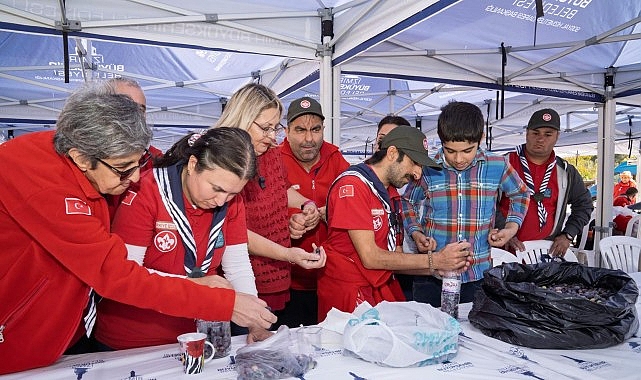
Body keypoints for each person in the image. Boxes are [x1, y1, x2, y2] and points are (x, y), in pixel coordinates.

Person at [0, 84, 275, 375]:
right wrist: (218, 301)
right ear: (81, 157)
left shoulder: (86, 164)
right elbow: (117, 275)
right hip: (17, 339)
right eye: (123, 168)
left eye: (139, 163)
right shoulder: (43, 185)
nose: (134, 179)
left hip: (55, 334)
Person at [94, 128, 273, 350]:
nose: (221, 201)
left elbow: (237, 267)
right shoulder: (146, 192)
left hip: (196, 335)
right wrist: (195, 287)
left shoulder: (230, 202)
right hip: (134, 339)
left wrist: (254, 320)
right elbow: (127, 273)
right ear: (192, 165)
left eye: (232, 193)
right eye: (216, 189)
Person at [317, 126, 473, 321]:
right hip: (350, 295)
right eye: (414, 163)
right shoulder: (353, 186)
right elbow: (371, 257)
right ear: (392, 153)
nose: (417, 174)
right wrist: (436, 260)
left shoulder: (389, 193)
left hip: (378, 287)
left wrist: (437, 267)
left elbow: (394, 258)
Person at [213, 84, 327, 322]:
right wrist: (287, 254)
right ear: (242, 118)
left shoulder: (271, 153)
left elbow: (280, 190)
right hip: (242, 277)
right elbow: (234, 234)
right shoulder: (223, 163)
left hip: (277, 275)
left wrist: (306, 204)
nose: (272, 137)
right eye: (265, 128)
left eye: (275, 128)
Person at [402, 101, 529, 307]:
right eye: (450, 151)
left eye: (467, 150)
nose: (459, 159)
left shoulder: (497, 165)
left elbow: (521, 194)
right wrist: (416, 233)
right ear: (441, 141)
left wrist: (511, 228)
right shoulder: (427, 167)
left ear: (480, 139)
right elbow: (407, 202)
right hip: (432, 275)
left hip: (476, 274)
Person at [279, 96, 350, 327]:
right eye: (300, 130)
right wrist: (289, 222)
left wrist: (327, 212)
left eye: (315, 129)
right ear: (287, 131)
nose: (309, 138)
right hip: (288, 285)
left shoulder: (337, 160)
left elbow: (357, 206)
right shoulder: (273, 162)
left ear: (323, 129)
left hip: (333, 279)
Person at [497, 108, 594, 256]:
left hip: (545, 253)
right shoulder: (503, 164)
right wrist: (503, 231)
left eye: (548, 134)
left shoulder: (566, 171)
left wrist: (568, 234)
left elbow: (584, 204)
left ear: (557, 137)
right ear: (527, 133)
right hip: (503, 252)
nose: (541, 139)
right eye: (535, 133)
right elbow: (485, 202)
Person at [102, 77, 163, 219]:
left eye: (140, 110)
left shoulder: (156, 160)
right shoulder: (77, 155)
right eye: (126, 107)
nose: (135, 116)